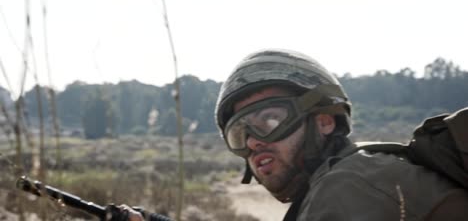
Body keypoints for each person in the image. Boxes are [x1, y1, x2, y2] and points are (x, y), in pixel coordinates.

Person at [119, 48, 466, 220]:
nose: (254, 140)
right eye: (240, 133)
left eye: (269, 120)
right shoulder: (357, 173)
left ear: (325, 121)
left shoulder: (349, 185)